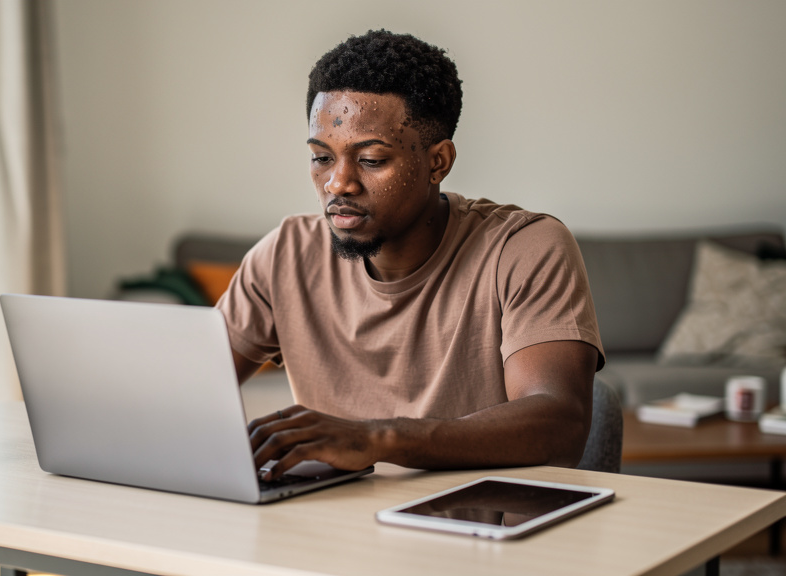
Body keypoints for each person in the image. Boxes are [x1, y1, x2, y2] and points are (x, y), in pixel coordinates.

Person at [215, 30, 605, 481]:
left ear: (438, 162)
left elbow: (560, 424)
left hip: (472, 539)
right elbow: (184, 391)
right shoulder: (284, 255)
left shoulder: (524, 249)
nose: (338, 184)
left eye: (372, 160)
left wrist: (377, 439)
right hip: (327, 535)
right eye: (322, 158)